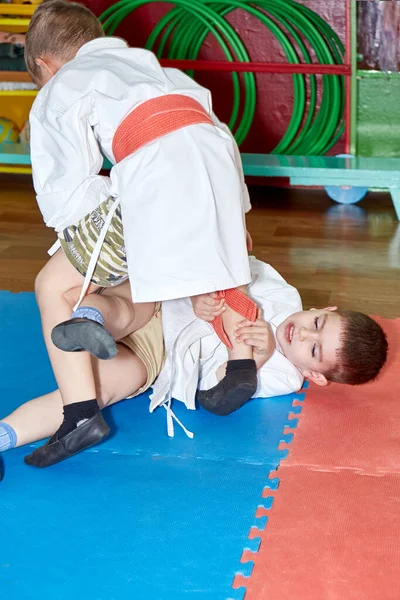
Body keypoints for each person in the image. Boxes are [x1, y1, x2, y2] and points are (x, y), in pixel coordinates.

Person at [24, 0, 259, 464]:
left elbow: (63, 189)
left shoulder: (61, 85)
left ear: (42, 65)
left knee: (53, 284)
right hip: (218, 170)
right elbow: (215, 131)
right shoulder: (154, 67)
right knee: (222, 268)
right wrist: (238, 215)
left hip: (157, 178)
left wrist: (89, 231)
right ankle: (239, 367)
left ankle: (80, 413)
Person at [0, 258, 388, 469]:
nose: (303, 335)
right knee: (120, 307)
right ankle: (90, 320)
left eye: (314, 350)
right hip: (160, 303)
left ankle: (4, 437)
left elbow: (217, 387)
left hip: (159, 360)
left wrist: (260, 354)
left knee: (92, 393)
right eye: (316, 324)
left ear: (312, 375)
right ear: (324, 308)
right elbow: (219, 263)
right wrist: (198, 297)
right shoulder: (281, 291)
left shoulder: (285, 377)